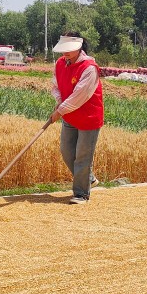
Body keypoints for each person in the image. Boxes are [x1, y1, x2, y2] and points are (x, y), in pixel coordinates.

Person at [48, 32, 104, 204]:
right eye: (63, 49)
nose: (65, 53)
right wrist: (59, 101)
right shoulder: (60, 64)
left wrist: (60, 111)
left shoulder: (89, 67)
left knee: (82, 156)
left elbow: (80, 95)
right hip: (70, 117)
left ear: (79, 47)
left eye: (69, 49)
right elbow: (55, 85)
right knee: (66, 152)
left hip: (88, 118)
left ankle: (81, 194)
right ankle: (89, 178)